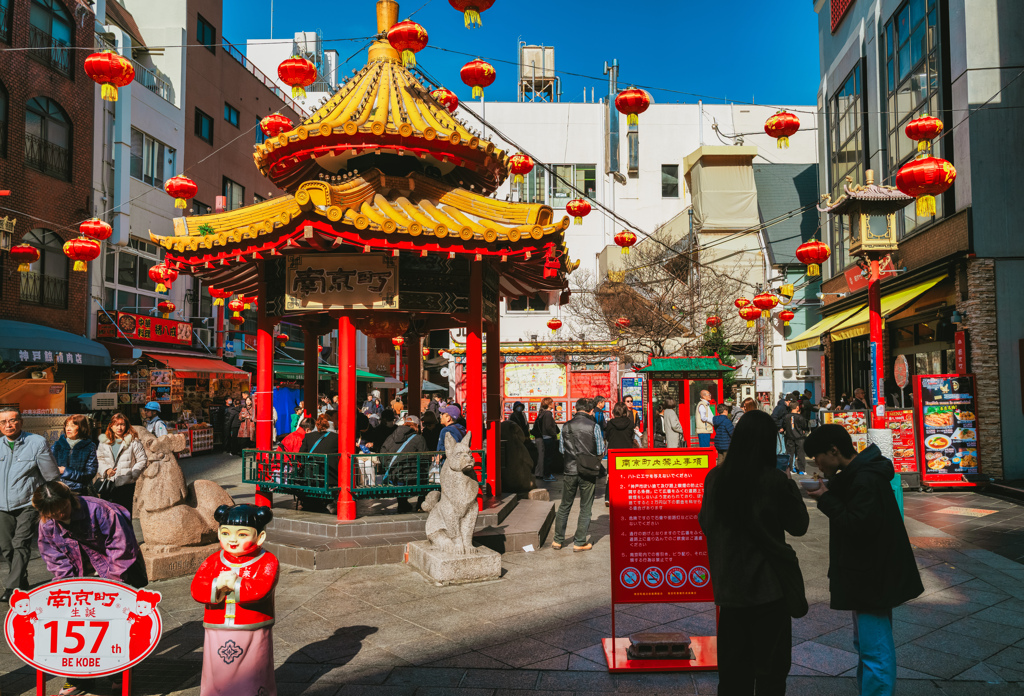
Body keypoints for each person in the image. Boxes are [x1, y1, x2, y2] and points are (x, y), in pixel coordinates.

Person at [805, 425, 923, 696]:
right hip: (868, 574)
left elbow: (857, 525)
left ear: (833, 450)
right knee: (868, 646)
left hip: (872, 577)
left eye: (817, 457)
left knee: (875, 649)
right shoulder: (859, 474)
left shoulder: (865, 479)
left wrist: (824, 498)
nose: (817, 464)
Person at [698, 409, 810, 696]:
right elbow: (798, 525)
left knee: (734, 674)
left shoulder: (715, 478)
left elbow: (705, 524)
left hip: (730, 592)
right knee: (771, 673)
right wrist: (790, 485)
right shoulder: (773, 480)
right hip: (769, 591)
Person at [34, 480, 148, 696]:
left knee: (111, 628)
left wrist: (111, 587)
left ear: (70, 498)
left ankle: (118, 675)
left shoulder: (102, 510)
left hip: (113, 573)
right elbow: (54, 559)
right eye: (52, 513)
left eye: (63, 509)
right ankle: (78, 679)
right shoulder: (46, 523)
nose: (58, 516)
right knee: (72, 628)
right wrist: (67, 589)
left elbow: (121, 548)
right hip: (77, 578)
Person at [190, 504, 279, 696]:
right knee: (217, 671)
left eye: (242, 535)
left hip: (252, 627)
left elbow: (261, 589)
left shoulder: (267, 561)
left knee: (253, 670)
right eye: (226, 533)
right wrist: (216, 585)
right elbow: (197, 588)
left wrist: (236, 584)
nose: (232, 540)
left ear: (260, 537)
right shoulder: (213, 561)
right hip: (217, 626)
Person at [0, 408, 59, 600]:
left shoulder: (36, 442)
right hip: (2, 506)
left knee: (20, 544)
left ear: (21, 422)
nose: (8, 425)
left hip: (28, 503)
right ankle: (21, 581)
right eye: (3, 422)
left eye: (12, 420)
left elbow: (51, 475)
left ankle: (12, 588)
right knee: (7, 547)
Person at [552, 399, 605, 552]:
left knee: (564, 505)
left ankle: (557, 540)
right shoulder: (593, 426)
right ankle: (580, 541)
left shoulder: (566, 425)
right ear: (589, 410)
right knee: (586, 506)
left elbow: (562, 449)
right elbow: (601, 450)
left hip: (570, 469)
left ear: (576, 409)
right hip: (588, 470)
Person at [96, 412, 149, 512]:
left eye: (122, 424)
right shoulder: (104, 442)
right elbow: (99, 459)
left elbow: (142, 460)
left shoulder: (133, 441)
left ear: (126, 426)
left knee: (125, 513)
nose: (119, 427)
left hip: (126, 484)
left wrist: (133, 475)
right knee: (108, 514)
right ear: (111, 426)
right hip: (109, 483)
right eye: (116, 425)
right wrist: (106, 470)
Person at [380, 415, 428, 513]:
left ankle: (402, 504)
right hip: (413, 476)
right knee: (424, 476)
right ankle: (420, 504)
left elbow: (382, 452)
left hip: (394, 475)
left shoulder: (391, 437)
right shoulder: (419, 439)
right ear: (417, 426)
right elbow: (425, 459)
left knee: (401, 477)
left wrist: (389, 466)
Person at [299, 415, 340, 513]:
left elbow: (300, 455)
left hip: (311, 476)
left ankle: (312, 502)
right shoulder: (336, 437)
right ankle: (330, 503)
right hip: (331, 476)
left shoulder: (308, 436)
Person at [51, 415, 98, 494]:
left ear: (82, 427)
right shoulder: (57, 445)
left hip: (79, 492)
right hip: (58, 490)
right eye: (67, 425)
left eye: (73, 425)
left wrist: (66, 471)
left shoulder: (89, 446)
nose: (68, 428)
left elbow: (89, 473)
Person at [531, 397, 559, 482]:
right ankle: (547, 475)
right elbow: (548, 427)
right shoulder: (547, 414)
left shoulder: (542, 413)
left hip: (543, 437)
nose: (553, 404)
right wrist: (554, 434)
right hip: (548, 437)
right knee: (548, 457)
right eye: (552, 402)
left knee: (544, 457)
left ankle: (541, 473)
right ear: (549, 404)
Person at [783, 401, 810, 475]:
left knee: (790, 454)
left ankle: (790, 469)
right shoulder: (800, 417)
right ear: (797, 407)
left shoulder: (786, 416)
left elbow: (784, 425)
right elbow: (804, 426)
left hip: (789, 437)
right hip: (799, 437)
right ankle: (801, 470)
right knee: (800, 453)